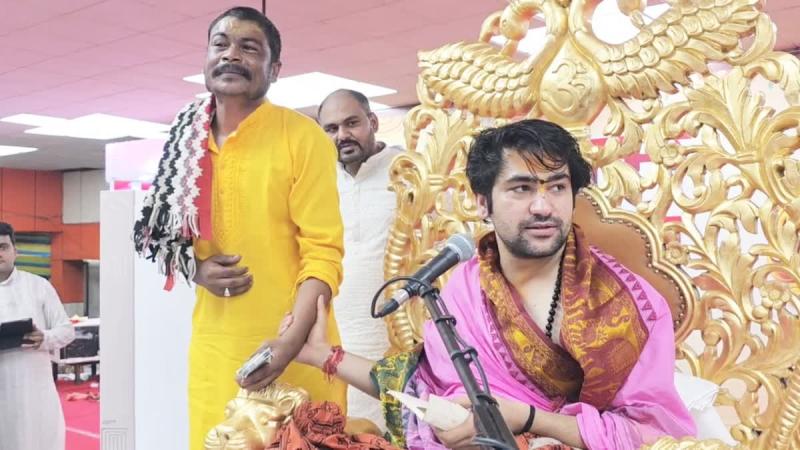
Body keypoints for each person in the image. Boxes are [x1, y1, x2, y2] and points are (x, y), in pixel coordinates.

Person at [281, 120, 697, 449]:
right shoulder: (466, 288)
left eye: (557, 187)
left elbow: (656, 437)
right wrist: (324, 355)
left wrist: (527, 420)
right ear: (483, 202)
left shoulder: (629, 306)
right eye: (521, 188)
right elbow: (422, 388)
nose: (543, 206)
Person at [132, 7, 346, 449]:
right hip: (216, 351)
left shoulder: (301, 136)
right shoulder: (184, 140)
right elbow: (164, 236)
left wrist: (290, 343)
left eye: (249, 48)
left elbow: (323, 253)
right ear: (206, 58)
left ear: (274, 69)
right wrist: (196, 268)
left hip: (297, 348)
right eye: (221, 44)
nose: (231, 55)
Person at [317, 89, 402, 428]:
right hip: (335, 334)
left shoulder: (407, 170)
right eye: (331, 128)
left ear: (373, 122)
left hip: (394, 334)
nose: (342, 135)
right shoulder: (318, 180)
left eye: (351, 123)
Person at [0, 221, 75, 450]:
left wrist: (45, 338)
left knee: (37, 440)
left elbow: (67, 330)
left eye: (3, 247)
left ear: (15, 251)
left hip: (34, 389)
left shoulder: (38, 286)